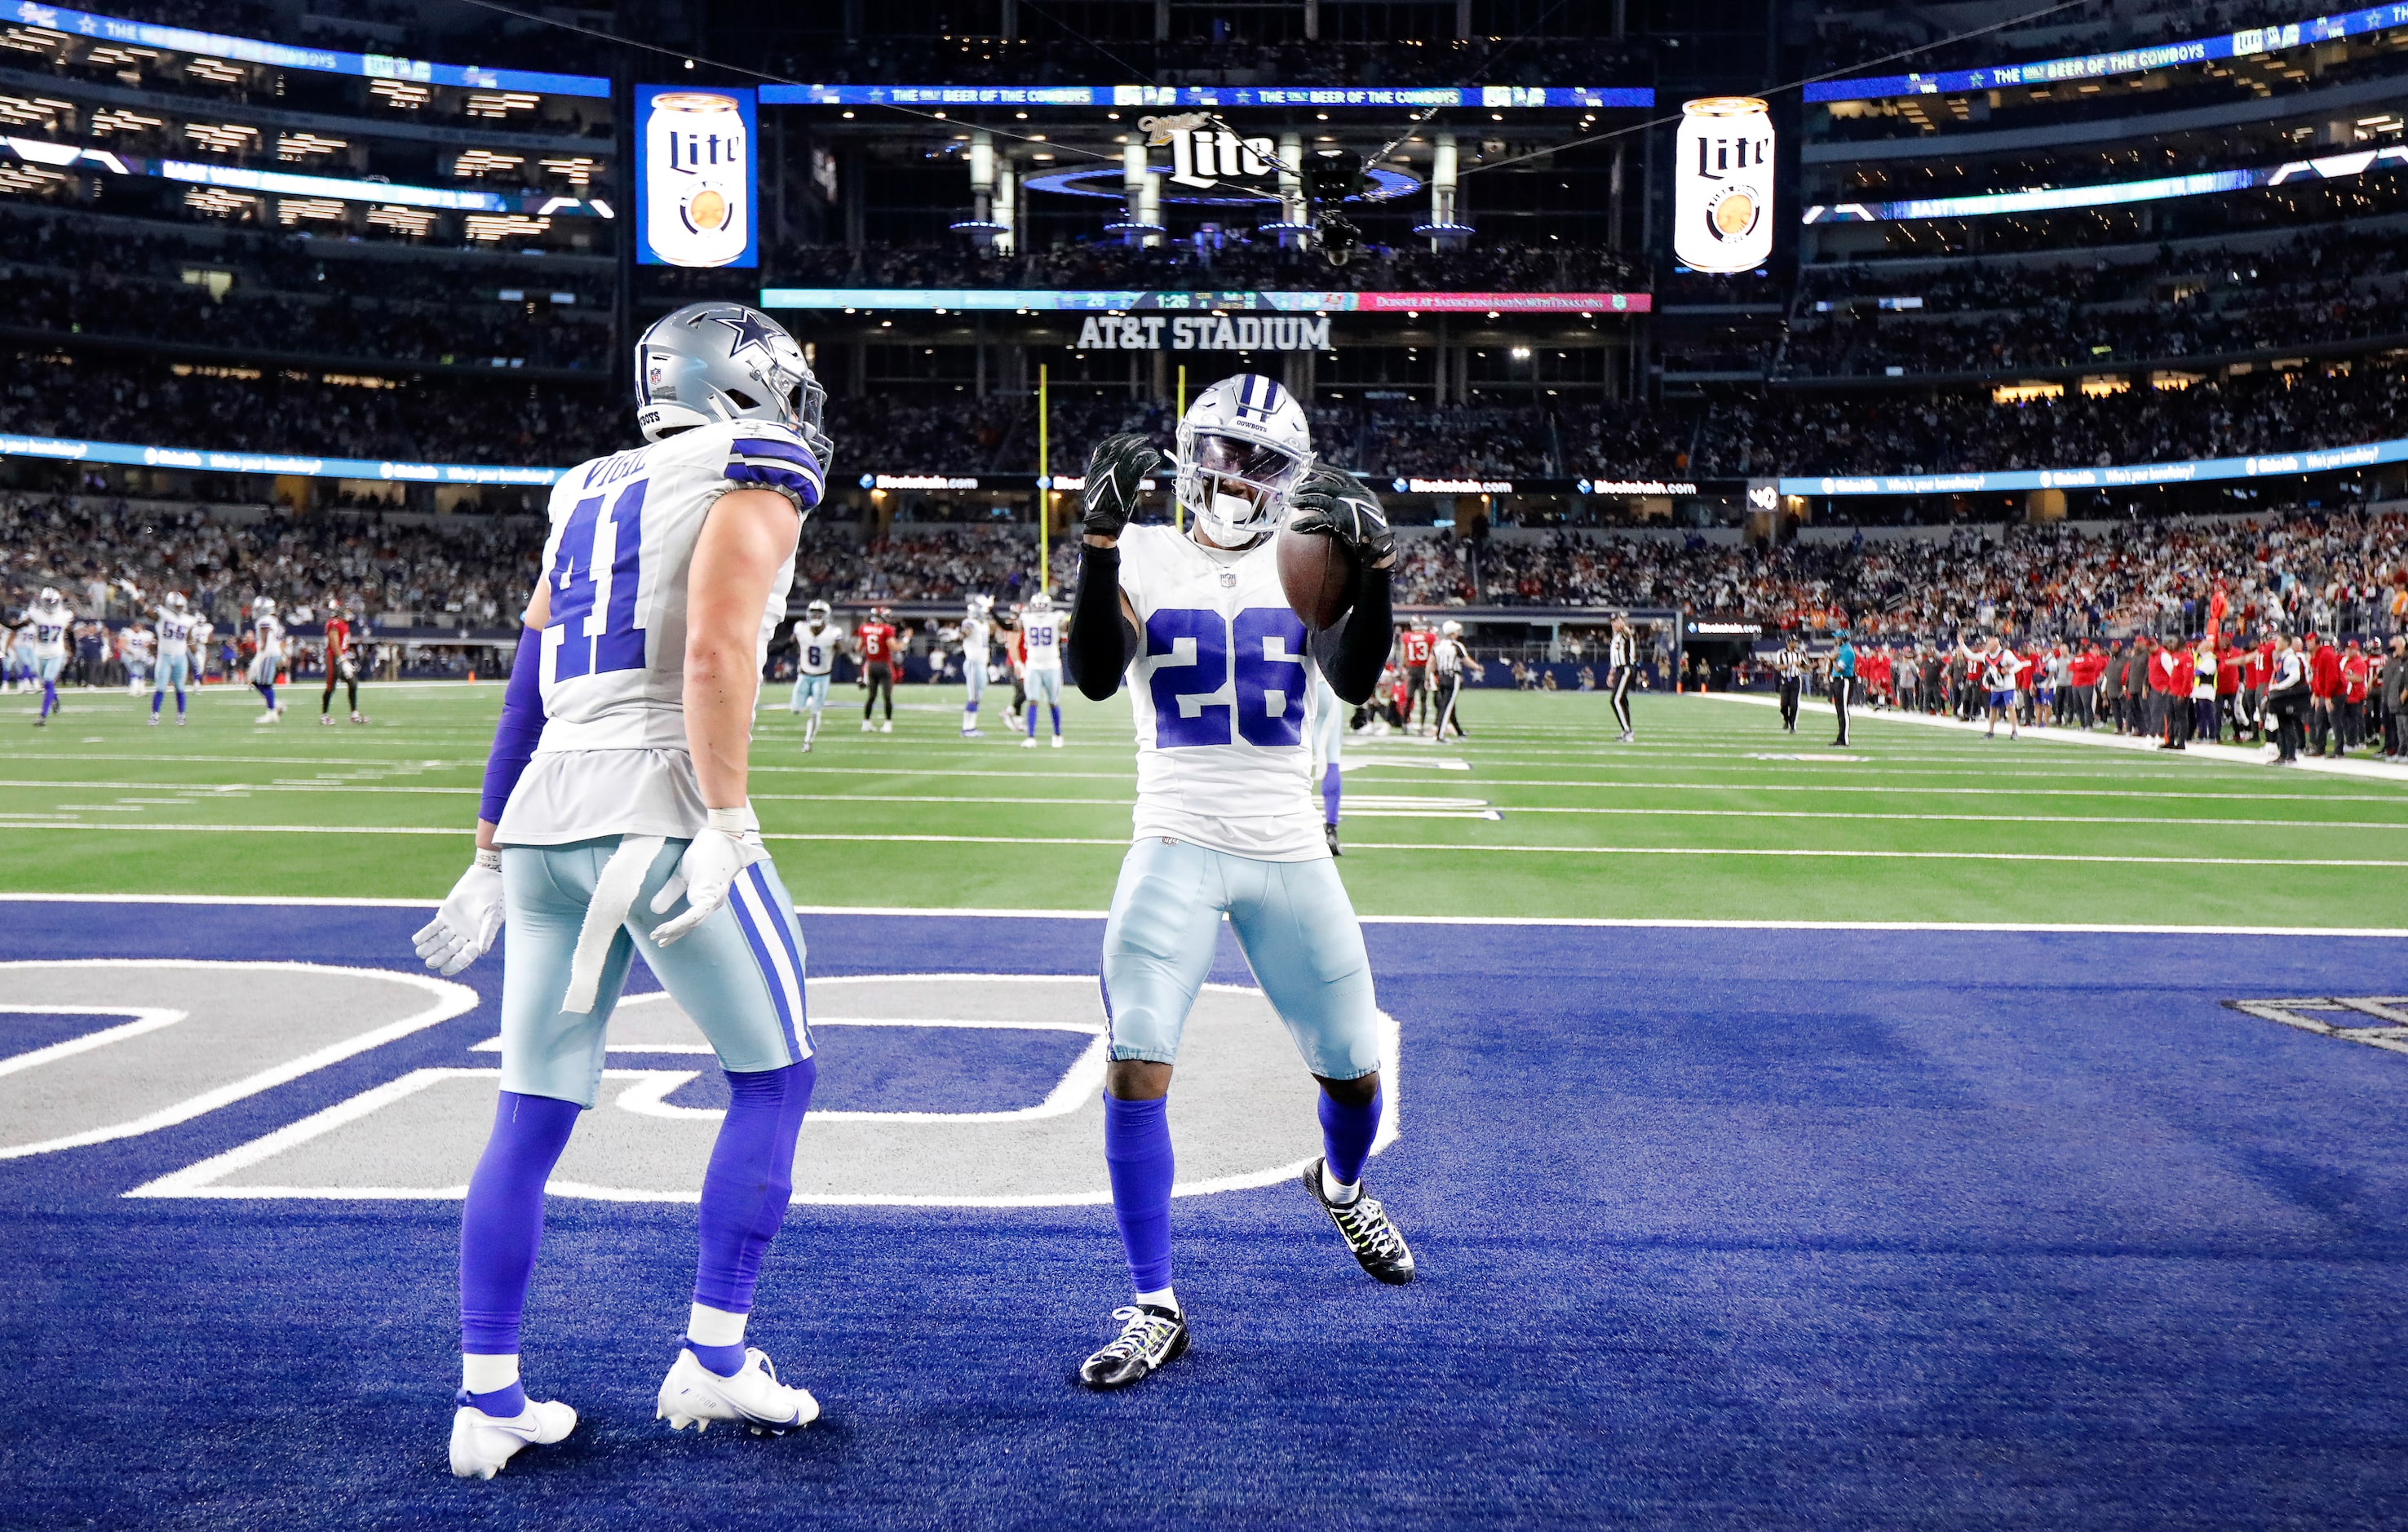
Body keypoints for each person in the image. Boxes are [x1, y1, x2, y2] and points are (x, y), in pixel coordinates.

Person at [409, 301, 834, 1478]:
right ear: (740, 386)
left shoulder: (586, 487)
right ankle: (714, 1349)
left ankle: (487, 1394)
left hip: (548, 815)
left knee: (530, 1109)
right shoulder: (758, 465)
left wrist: (489, 848)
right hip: (660, 801)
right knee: (777, 1074)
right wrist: (728, 814)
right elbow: (714, 651)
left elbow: (526, 680)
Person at [1064, 375, 1414, 1392]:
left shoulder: (1305, 560)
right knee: (1136, 1063)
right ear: (1189, 449)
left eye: (1262, 459)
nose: (1235, 474)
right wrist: (1092, 547)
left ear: (1292, 478)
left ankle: (1341, 1184)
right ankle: (1153, 1302)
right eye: (1220, 448)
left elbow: (1352, 679)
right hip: (1171, 831)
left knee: (1351, 1072)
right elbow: (1093, 674)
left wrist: (1377, 569)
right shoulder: (1142, 550)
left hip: (1284, 840)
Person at [787, 599, 839, 751]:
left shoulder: (833, 632)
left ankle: (808, 741)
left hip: (822, 677)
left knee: (815, 712)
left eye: (819, 614)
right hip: (803, 675)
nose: (816, 617)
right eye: (814, 614)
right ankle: (809, 700)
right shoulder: (800, 628)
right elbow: (790, 643)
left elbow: (842, 651)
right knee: (796, 709)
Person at [1018, 588, 1066, 748]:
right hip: (1034, 665)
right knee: (1033, 700)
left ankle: (1057, 734)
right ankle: (1031, 737)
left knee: (1053, 702)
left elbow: (1064, 626)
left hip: (1051, 665)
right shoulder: (1052, 616)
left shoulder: (1028, 617)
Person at [1306, 669, 1346, 857]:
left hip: (1295, 689)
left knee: (1284, 756)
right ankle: (1331, 829)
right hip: (1324, 689)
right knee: (1331, 760)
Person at [148, 591, 197, 726]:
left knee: (180, 688)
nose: (179, 609)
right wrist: (134, 593)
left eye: (181, 606)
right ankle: (154, 715)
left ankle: (181, 715)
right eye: (177, 606)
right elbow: (149, 613)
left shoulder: (188, 620)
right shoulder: (163, 614)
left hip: (180, 657)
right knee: (160, 687)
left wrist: (194, 646)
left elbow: (189, 639)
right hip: (165, 656)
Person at [25, 587, 69, 727]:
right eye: (47, 602)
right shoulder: (37, 614)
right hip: (40, 653)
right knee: (45, 683)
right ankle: (54, 697)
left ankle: (43, 716)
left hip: (56, 653)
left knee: (49, 681)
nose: (50, 605)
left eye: (52, 602)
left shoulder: (63, 615)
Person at [2266, 632, 2311, 765]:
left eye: (2279, 641)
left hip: (2288, 696)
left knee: (2288, 725)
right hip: (2284, 696)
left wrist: (2279, 687)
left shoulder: (2290, 658)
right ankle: (2284, 754)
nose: (2276, 644)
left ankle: (2290, 755)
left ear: (2286, 643)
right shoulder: (2283, 658)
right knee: (2283, 724)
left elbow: (2295, 677)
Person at [1431, 618, 1480, 737]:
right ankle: (1440, 734)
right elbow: (1466, 660)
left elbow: (1431, 662)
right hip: (1452, 676)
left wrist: (1428, 678)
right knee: (1447, 706)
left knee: (1448, 705)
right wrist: (1477, 667)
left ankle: (1459, 731)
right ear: (1452, 633)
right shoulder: (1456, 645)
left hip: (1441, 676)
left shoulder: (1438, 645)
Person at [857, 604, 896, 733]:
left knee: (871, 696)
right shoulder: (887, 629)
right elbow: (894, 648)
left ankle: (866, 723)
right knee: (887, 696)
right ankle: (888, 724)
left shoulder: (864, 628)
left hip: (870, 665)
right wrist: (906, 640)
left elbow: (858, 648)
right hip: (883, 665)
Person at [957, 594, 992, 738]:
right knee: (974, 697)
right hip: (973, 663)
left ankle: (971, 727)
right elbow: (966, 631)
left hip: (981, 664)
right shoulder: (970, 622)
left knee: (978, 696)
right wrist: (958, 635)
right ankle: (967, 728)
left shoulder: (984, 624)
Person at [321, 606, 364, 725]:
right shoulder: (335, 623)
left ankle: (354, 715)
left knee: (353, 683)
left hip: (341, 658)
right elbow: (334, 643)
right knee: (331, 687)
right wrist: (343, 660)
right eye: (347, 611)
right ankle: (324, 716)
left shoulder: (344, 624)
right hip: (334, 658)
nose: (349, 614)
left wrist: (345, 659)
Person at [247, 596, 285, 724]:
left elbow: (265, 639)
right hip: (273, 653)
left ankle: (271, 713)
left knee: (265, 684)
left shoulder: (265, 620)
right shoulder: (274, 620)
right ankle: (275, 704)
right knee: (255, 680)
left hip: (268, 654)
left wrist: (259, 657)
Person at [1397, 617, 1433, 735]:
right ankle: (1422, 727)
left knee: (1408, 699)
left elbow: (1403, 656)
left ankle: (1404, 725)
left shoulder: (1407, 637)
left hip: (1412, 670)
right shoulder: (1430, 636)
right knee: (1423, 700)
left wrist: (1405, 667)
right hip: (1424, 670)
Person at [1981, 634, 2020, 741]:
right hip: (1996, 687)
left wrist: (2009, 670)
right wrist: (1962, 645)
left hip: (2007, 686)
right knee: (1993, 708)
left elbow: (2018, 664)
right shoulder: (1987, 656)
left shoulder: (2006, 654)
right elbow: (1972, 656)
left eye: (1989, 645)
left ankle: (2014, 731)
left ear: (1996, 645)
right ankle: (1991, 731)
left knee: (2010, 707)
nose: (1987, 647)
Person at [1606, 613, 1637, 742]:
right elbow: (1614, 657)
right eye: (1612, 622)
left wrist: (1623, 624)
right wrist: (1611, 673)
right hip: (1619, 669)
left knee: (1616, 700)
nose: (1613, 624)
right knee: (1622, 700)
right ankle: (1626, 730)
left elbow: (1628, 633)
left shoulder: (1625, 633)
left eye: (1616, 621)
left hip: (1625, 669)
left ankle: (1628, 732)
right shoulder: (1616, 636)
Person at [1828, 629, 1857, 746]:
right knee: (1839, 710)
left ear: (1843, 639)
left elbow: (1839, 668)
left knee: (1843, 710)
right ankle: (1840, 737)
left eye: (1838, 637)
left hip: (1844, 681)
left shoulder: (1848, 651)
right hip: (1838, 681)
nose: (1836, 639)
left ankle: (1844, 739)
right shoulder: (1841, 649)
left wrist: (1833, 659)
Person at [1774, 633, 1805, 732]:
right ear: (1789, 643)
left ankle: (1793, 725)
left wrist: (1817, 664)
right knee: (1783, 704)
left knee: (1794, 704)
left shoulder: (1799, 653)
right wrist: (1792, 664)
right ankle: (1786, 720)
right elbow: (1778, 667)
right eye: (1794, 641)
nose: (1796, 643)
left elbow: (1805, 666)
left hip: (1796, 679)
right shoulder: (1781, 653)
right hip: (1785, 679)